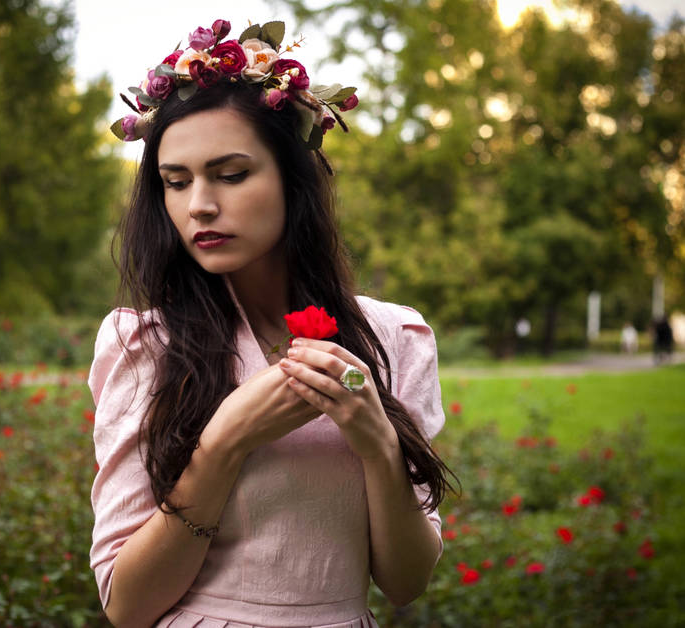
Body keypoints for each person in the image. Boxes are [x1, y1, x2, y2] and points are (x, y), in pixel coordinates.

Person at [88, 19, 454, 627]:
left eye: (230, 175)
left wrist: (377, 443)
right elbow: (126, 606)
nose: (199, 204)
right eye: (175, 182)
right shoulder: (145, 345)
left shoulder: (394, 339)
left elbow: (405, 582)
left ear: (293, 179)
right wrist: (224, 444)